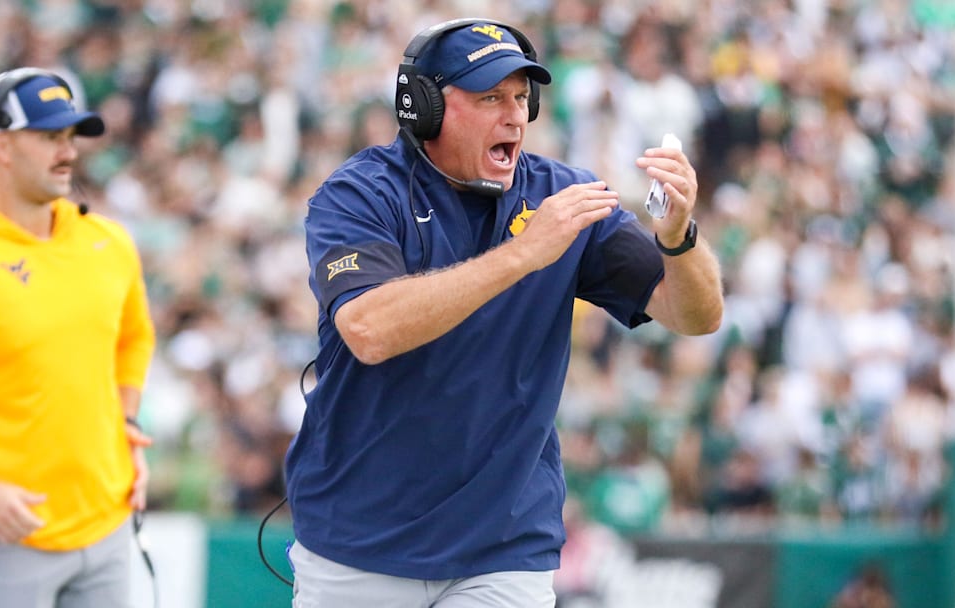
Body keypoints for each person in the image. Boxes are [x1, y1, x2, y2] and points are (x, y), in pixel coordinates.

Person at [286, 18, 723, 607]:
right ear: (425, 108)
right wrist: (523, 253)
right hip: (361, 537)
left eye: (521, 97)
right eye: (490, 97)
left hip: (504, 544)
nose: (515, 115)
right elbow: (369, 329)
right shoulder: (360, 193)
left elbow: (695, 316)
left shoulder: (563, 196)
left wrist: (679, 237)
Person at [0, 67, 156, 607]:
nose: (67, 152)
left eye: (70, 137)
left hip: (105, 527)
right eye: (49, 137)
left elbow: (134, 339)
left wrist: (126, 423)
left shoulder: (108, 241)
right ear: (1, 146)